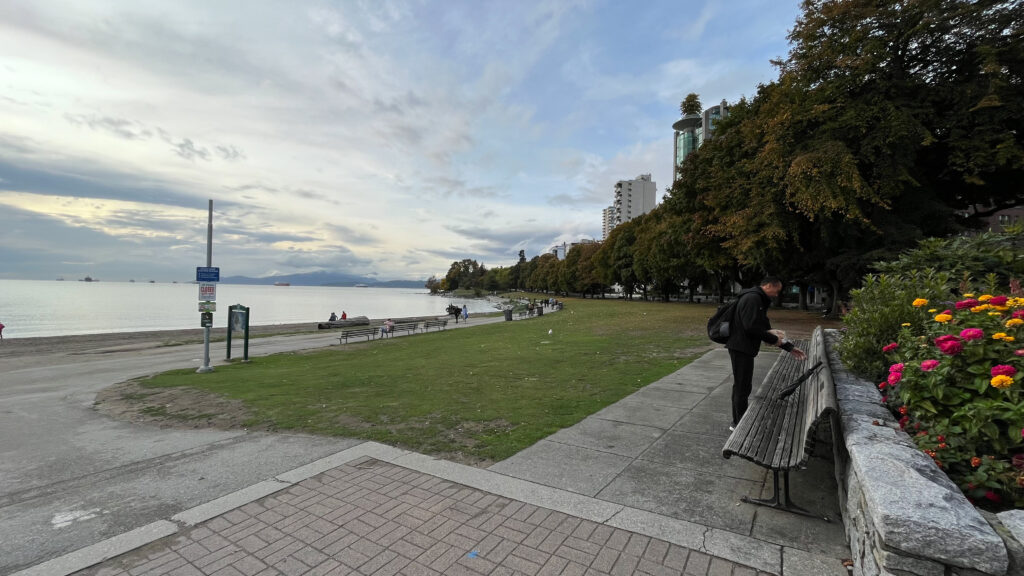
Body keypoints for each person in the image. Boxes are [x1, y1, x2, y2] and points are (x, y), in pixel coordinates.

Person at [726, 277, 807, 430]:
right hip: (740, 347)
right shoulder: (753, 298)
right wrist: (775, 339)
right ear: (769, 285)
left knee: (742, 386)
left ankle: (737, 421)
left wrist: (788, 346)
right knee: (742, 387)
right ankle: (738, 424)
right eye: (776, 291)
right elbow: (751, 327)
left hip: (744, 347)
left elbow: (763, 326)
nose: (777, 295)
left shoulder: (758, 299)